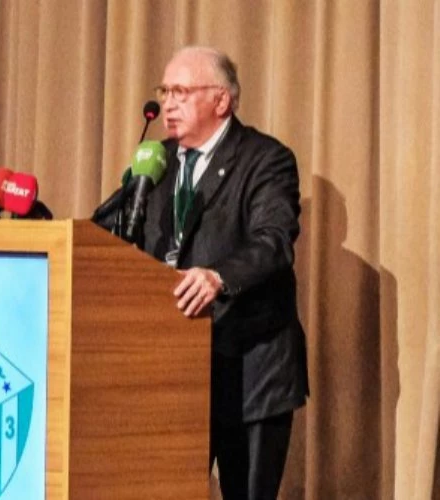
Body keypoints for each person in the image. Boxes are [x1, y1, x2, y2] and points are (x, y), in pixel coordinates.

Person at [141, 46, 309, 499]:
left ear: (221, 100)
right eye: (165, 91)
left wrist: (217, 276)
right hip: (174, 369)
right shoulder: (155, 162)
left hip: (249, 372)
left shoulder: (265, 159)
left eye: (181, 92)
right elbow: (119, 232)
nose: (168, 104)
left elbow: (273, 240)